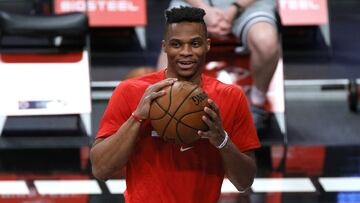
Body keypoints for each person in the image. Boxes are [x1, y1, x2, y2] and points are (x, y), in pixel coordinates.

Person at [91, 6, 260, 202]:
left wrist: (222, 140)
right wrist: (137, 118)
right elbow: (101, 170)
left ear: (207, 45)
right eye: (177, 44)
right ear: (164, 47)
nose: (186, 52)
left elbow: (244, 182)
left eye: (195, 43)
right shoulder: (131, 91)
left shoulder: (230, 96)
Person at [157, 0, 281, 132]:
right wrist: (203, 8)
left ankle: (257, 101)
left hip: (249, 5)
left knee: (266, 42)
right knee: (175, 40)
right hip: (195, 3)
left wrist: (235, 8)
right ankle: (166, 103)